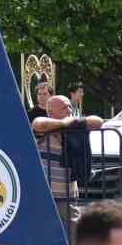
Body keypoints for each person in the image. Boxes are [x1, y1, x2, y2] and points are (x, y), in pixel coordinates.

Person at [33, 94, 105, 223]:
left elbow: (98, 121)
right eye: (63, 108)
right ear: (50, 112)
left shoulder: (75, 126)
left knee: (73, 231)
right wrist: (63, 123)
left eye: (69, 107)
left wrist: (73, 123)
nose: (69, 110)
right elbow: (38, 124)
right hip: (45, 194)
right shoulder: (45, 128)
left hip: (67, 194)